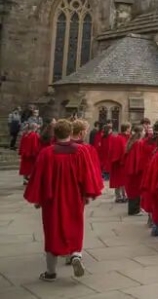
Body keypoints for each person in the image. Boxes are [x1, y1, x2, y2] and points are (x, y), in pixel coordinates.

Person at [24, 119, 103, 281]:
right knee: (75, 226)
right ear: (70, 132)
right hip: (74, 197)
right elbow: (87, 175)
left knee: (52, 231)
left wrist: (37, 199)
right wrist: (88, 194)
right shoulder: (81, 152)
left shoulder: (46, 153)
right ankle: (75, 256)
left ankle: (51, 272)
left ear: (55, 133)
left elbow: (38, 178)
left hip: (51, 199)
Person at [108, 123, 131, 203]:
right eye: (129, 128)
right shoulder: (120, 138)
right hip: (121, 162)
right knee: (121, 180)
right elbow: (122, 150)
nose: (130, 129)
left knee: (121, 180)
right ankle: (121, 196)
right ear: (127, 128)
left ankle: (121, 196)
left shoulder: (121, 137)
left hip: (121, 162)